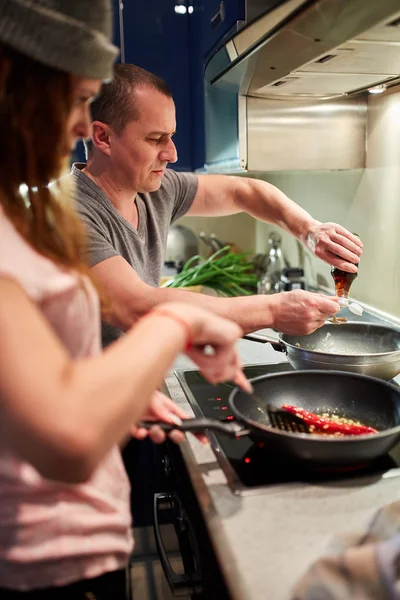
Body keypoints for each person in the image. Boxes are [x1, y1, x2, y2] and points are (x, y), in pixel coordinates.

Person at [0, 1, 250, 597]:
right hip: (36, 562)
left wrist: (124, 393)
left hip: (75, 542)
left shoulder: (17, 206)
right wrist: (178, 320)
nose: (87, 127)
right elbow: (69, 437)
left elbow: (42, 376)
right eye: (81, 98)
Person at [73, 63, 362, 349]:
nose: (172, 153)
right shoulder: (66, 212)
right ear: (103, 137)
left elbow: (243, 191)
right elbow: (134, 307)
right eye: (155, 138)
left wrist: (310, 230)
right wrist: (274, 311)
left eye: (171, 136)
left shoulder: (155, 190)